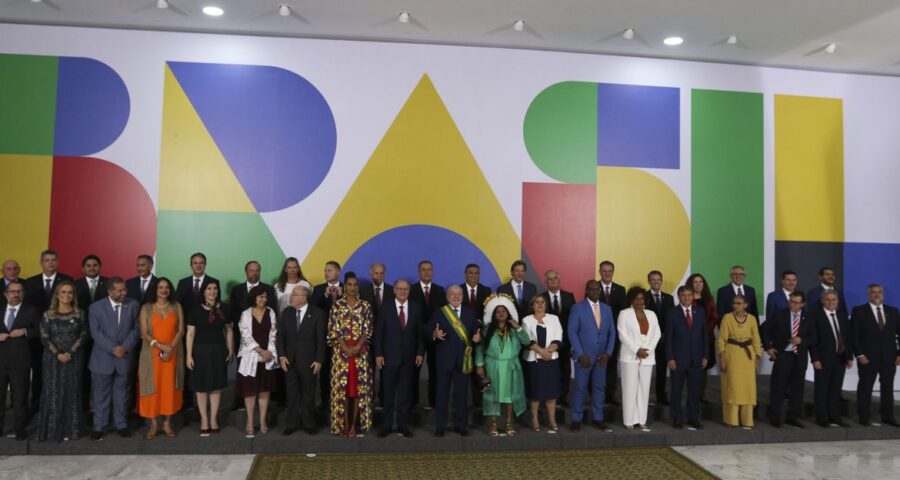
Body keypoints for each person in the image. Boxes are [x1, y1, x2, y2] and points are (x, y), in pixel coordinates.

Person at [88, 277, 140, 440]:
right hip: (102, 359)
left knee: (122, 394)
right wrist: (113, 348)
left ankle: (121, 424)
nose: (124, 293)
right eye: (119, 290)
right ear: (110, 291)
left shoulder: (133, 305)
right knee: (101, 395)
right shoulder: (95, 308)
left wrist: (124, 347)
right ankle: (99, 426)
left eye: (124, 289)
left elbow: (137, 330)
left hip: (124, 357)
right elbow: (95, 332)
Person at [426, 285, 481, 436]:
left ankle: (461, 425)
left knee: (462, 396)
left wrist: (477, 337)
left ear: (463, 296)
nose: (456, 296)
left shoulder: (470, 313)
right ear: (447, 296)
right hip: (444, 361)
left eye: (459, 294)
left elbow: (476, 332)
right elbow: (427, 330)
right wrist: (434, 334)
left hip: (463, 361)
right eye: (452, 294)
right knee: (442, 395)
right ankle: (440, 426)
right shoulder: (440, 312)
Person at [37, 281, 88, 442]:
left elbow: (84, 335)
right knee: (52, 392)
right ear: (57, 295)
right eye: (63, 292)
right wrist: (58, 354)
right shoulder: (48, 314)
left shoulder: (79, 313)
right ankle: (52, 431)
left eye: (70, 292)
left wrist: (70, 353)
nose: (67, 295)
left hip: (74, 358)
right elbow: (44, 337)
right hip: (52, 359)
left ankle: (71, 430)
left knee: (71, 391)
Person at [24, 249, 73, 413]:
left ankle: (58, 404)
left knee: (60, 372)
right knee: (38, 371)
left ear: (57, 262)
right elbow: (27, 310)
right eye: (47, 260)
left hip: (61, 336)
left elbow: (71, 307)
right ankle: (37, 404)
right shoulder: (30, 282)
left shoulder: (67, 280)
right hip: (37, 336)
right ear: (41, 263)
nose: (50, 263)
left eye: (53, 260)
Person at [476, 294, 531, 437]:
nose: (501, 314)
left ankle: (508, 423)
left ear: (508, 313)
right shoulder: (487, 329)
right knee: (491, 395)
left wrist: (519, 328)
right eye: (498, 311)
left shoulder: (514, 328)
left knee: (509, 396)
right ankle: (493, 424)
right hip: (492, 366)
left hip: (510, 366)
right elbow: (480, 348)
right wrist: (479, 365)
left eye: (503, 311)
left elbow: (526, 341)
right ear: (494, 314)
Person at [327, 273, 374, 437]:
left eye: (355, 285)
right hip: (341, 356)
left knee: (357, 391)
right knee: (343, 391)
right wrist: (345, 347)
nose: (352, 288)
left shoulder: (365, 306)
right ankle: (344, 424)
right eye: (349, 285)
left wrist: (358, 346)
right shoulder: (337, 306)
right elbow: (334, 329)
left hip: (360, 356)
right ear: (344, 286)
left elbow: (367, 330)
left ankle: (354, 425)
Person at [375, 279, 423, 438]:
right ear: (394, 291)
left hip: (409, 359)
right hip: (388, 359)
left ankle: (403, 425)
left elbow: (419, 335)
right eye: (400, 289)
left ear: (409, 291)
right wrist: (379, 354)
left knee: (405, 395)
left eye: (405, 289)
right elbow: (379, 334)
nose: (402, 292)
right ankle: (387, 425)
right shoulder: (385, 308)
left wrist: (419, 353)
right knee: (388, 395)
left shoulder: (416, 308)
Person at [137, 277, 184, 439]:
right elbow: (144, 334)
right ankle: (154, 424)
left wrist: (170, 348)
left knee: (169, 388)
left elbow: (181, 330)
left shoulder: (177, 306)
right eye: (160, 287)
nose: (164, 290)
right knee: (152, 388)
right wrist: (161, 347)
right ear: (155, 290)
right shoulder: (146, 308)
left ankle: (167, 423)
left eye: (167, 287)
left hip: (172, 354)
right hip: (152, 355)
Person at [185, 280, 233, 436]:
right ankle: (204, 420)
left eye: (215, 289)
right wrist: (189, 355)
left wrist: (230, 348)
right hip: (200, 351)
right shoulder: (195, 310)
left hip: (218, 351)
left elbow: (229, 330)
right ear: (203, 292)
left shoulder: (224, 308)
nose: (212, 291)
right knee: (201, 388)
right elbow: (190, 334)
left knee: (215, 386)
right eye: (209, 289)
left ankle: (213, 419)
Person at [277, 285, 325, 436]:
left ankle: (309, 424)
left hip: (309, 361)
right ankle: (291, 423)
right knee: (291, 393)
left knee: (308, 393)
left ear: (303, 298)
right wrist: (282, 356)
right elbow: (281, 337)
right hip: (289, 361)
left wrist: (319, 360)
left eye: (294, 294)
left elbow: (320, 340)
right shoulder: (287, 312)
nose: (290, 297)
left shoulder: (317, 313)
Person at [568, 280, 616, 431]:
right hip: (584, 358)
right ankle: (576, 419)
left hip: (602, 357)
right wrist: (580, 354)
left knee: (599, 388)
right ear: (586, 290)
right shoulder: (577, 308)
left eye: (597, 289)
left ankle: (598, 418)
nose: (595, 291)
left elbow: (612, 333)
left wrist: (608, 353)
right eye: (592, 289)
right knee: (580, 388)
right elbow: (572, 332)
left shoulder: (607, 309)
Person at [229, 261, 277, 411]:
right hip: (244, 339)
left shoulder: (269, 289)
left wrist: (267, 348)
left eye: (257, 270)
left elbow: (272, 313)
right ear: (246, 272)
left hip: (265, 337)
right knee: (244, 371)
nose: (254, 273)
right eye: (251, 270)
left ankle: (264, 402)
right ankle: (240, 400)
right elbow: (233, 312)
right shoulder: (236, 290)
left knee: (264, 374)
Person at [763, 291, 815, 428]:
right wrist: (768, 347)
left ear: (803, 304)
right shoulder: (780, 314)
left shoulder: (809, 317)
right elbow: (764, 329)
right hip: (783, 355)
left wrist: (802, 340)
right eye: (791, 301)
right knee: (778, 387)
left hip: (800, 356)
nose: (792, 305)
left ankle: (792, 417)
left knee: (797, 388)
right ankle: (775, 417)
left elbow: (814, 337)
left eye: (796, 302)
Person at [851, 284, 900, 427]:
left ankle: (887, 416)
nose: (876, 295)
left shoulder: (893, 311)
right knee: (865, 387)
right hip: (867, 358)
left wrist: (898, 354)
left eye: (879, 292)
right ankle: (864, 416)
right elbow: (854, 335)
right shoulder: (859, 311)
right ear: (868, 295)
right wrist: (859, 354)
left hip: (889, 357)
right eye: (873, 292)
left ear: (882, 294)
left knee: (887, 388)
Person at [236, 286, 280, 437]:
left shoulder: (271, 312)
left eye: (265, 297)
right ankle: (249, 421)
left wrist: (269, 352)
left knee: (264, 389)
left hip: (267, 356)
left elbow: (273, 333)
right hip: (251, 356)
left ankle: (262, 421)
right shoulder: (245, 314)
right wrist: (260, 350)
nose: (263, 299)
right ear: (254, 298)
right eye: (260, 297)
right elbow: (246, 336)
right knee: (250, 390)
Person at [617, 287, 661, 431]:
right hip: (630, 356)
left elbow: (657, 334)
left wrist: (647, 350)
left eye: (641, 298)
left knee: (644, 389)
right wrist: (637, 350)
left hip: (647, 356)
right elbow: (622, 335)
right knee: (630, 388)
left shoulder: (651, 314)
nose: (639, 301)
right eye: (636, 298)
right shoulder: (624, 314)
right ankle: (629, 420)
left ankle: (642, 419)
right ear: (631, 299)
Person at [666, 286, 709, 430]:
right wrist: (670, 358)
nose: (686, 297)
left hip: (696, 359)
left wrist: (705, 355)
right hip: (677, 360)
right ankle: (677, 418)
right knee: (676, 391)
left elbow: (704, 336)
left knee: (694, 391)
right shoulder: (672, 313)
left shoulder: (701, 312)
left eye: (689, 295)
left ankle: (693, 418)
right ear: (679, 297)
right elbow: (669, 339)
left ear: (693, 296)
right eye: (683, 295)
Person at [1, 280, 39, 440]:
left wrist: (24, 331)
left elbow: (40, 331)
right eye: (12, 291)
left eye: (19, 291)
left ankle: (20, 430)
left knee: (20, 399)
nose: (15, 294)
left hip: (21, 362)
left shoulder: (31, 310)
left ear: (23, 293)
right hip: (0, 363)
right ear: (5, 294)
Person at [717, 294, 761, 429]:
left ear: (746, 305)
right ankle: (731, 420)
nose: (736, 306)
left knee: (748, 389)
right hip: (732, 355)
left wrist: (757, 357)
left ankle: (747, 420)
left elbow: (756, 339)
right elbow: (721, 339)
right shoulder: (727, 318)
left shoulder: (752, 319)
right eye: (735, 303)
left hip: (748, 357)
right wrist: (722, 359)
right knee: (733, 387)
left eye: (739, 303)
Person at [810, 290, 852, 428]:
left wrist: (849, 357)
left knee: (835, 389)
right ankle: (821, 417)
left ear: (837, 301)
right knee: (822, 389)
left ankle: (834, 416)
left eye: (834, 300)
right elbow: (813, 340)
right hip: (823, 359)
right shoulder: (816, 315)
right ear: (823, 301)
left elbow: (847, 338)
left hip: (840, 358)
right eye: (828, 300)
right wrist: (815, 359)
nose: (831, 302)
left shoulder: (842, 316)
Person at [522, 294, 562, 433]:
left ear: (546, 305)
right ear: (532, 305)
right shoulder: (526, 320)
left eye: (542, 302)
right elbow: (527, 340)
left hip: (551, 360)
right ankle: (534, 419)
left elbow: (558, 337)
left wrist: (549, 352)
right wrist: (541, 352)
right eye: (536, 302)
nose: (540, 304)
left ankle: (552, 420)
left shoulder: (554, 319)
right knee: (535, 393)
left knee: (551, 392)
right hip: (534, 361)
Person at [409, 260, 446, 409]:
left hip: (434, 337)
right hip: (415, 337)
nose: (426, 272)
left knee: (435, 370)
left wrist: (436, 331)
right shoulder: (411, 290)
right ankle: (413, 401)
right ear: (419, 272)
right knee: (413, 370)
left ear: (433, 271)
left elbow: (443, 314)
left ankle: (434, 402)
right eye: (423, 270)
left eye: (429, 269)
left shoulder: (440, 290)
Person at [74, 254, 108, 411]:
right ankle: (85, 408)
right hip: (83, 336)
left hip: (105, 336)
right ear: (83, 268)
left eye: (95, 265)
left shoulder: (109, 284)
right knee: (84, 374)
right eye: (88, 265)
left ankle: (103, 408)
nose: (92, 268)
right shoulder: (75, 285)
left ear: (100, 267)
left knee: (104, 375)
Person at [539, 269, 575, 405]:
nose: (552, 281)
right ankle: (549, 396)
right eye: (549, 279)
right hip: (547, 341)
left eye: (555, 279)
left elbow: (574, 319)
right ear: (545, 282)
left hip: (565, 341)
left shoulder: (569, 296)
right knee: (549, 370)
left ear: (559, 281)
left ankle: (563, 397)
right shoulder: (541, 298)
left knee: (565, 369)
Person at [312, 260, 342, 411]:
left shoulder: (348, 287)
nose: (326, 273)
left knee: (341, 371)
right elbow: (312, 310)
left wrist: (342, 296)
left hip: (343, 339)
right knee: (325, 372)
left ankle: (340, 402)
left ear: (338, 272)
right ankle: (325, 403)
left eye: (329, 270)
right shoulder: (318, 289)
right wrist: (324, 295)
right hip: (323, 337)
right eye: (325, 270)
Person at [460, 263, 491, 408]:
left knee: (480, 369)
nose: (473, 276)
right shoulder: (457, 290)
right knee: (462, 370)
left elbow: (490, 314)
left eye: (476, 273)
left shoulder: (487, 291)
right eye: (471, 273)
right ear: (465, 274)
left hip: (480, 337)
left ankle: (480, 401)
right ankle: (461, 401)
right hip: (462, 337)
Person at [686, 273, 718, 404]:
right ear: (690, 284)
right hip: (690, 339)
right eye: (695, 282)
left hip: (706, 338)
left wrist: (704, 332)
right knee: (691, 366)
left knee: (703, 368)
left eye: (701, 282)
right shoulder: (687, 298)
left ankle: (701, 396)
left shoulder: (709, 299)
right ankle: (692, 395)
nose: (698, 284)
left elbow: (714, 318)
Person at [598, 260, 626, 405]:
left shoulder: (621, 290)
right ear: (599, 272)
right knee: (598, 364)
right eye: (604, 271)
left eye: (610, 271)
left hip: (614, 335)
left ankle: (610, 395)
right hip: (597, 335)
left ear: (613, 272)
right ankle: (597, 395)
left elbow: (624, 314)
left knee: (611, 365)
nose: (607, 274)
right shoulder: (593, 288)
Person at [646, 270, 674, 405]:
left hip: (664, 340)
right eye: (653, 280)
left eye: (658, 280)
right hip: (647, 340)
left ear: (661, 281)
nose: (656, 282)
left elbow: (671, 318)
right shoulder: (644, 297)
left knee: (662, 370)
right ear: (649, 281)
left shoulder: (669, 298)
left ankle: (661, 396)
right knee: (645, 369)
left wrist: (666, 335)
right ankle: (643, 396)